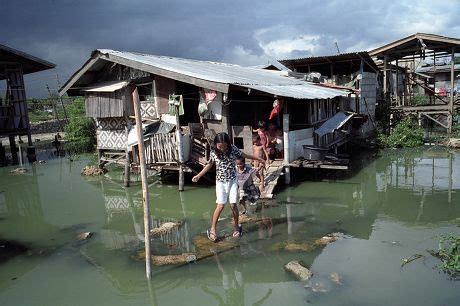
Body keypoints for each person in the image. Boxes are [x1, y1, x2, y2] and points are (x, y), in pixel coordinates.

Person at [192, 132, 265, 242]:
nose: (222, 149)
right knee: (220, 205)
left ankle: (237, 227)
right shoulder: (213, 152)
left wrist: (259, 159)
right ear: (216, 144)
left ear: (228, 144)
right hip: (220, 182)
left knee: (233, 204)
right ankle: (212, 230)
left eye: (225, 146)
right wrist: (198, 176)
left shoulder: (233, 149)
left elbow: (245, 155)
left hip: (232, 181)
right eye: (220, 146)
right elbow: (209, 165)